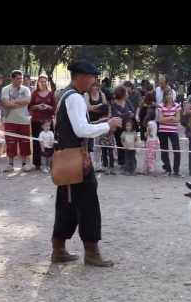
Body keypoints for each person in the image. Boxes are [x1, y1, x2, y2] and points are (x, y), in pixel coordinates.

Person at [51, 59, 122, 267]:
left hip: (67, 159)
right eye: (92, 77)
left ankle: (59, 249)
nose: (94, 81)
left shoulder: (67, 94)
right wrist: (107, 125)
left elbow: (78, 126)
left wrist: (98, 124)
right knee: (88, 205)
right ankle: (91, 252)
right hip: (77, 160)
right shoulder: (75, 98)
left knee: (66, 204)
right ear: (81, 77)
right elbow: (81, 131)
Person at [1, 70, 32, 172]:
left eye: (21, 78)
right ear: (12, 79)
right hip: (9, 120)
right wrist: (20, 103)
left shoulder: (26, 89)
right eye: (18, 78)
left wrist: (13, 101)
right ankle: (10, 164)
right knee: (10, 143)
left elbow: (27, 101)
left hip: (24, 121)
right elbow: (6, 104)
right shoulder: (6, 89)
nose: (20, 80)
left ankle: (24, 164)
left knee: (24, 142)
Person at [28, 75, 56, 171]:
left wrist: (48, 107)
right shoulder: (34, 93)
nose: (43, 83)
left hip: (48, 122)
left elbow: (54, 108)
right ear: (38, 82)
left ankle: (49, 164)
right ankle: (37, 164)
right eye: (41, 81)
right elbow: (30, 107)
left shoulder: (51, 94)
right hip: (36, 121)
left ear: (47, 82)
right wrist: (37, 106)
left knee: (49, 143)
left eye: (44, 81)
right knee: (37, 142)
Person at [157, 87, 182, 177]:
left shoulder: (177, 105)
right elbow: (160, 119)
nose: (169, 96)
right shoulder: (160, 105)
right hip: (162, 131)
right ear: (165, 96)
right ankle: (167, 169)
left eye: (170, 94)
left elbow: (178, 119)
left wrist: (166, 119)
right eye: (167, 94)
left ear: (173, 95)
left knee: (177, 150)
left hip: (173, 130)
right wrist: (171, 118)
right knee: (164, 150)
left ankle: (176, 171)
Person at [85, 82, 109, 172]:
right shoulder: (86, 95)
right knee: (92, 145)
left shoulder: (102, 95)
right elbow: (87, 107)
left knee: (99, 144)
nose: (95, 88)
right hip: (91, 122)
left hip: (100, 121)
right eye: (93, 86)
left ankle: (98, 164)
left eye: (96, 86)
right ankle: (92, 164)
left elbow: (105, 107)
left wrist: (95, 108)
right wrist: (98, 107)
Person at [111, 86, 135, 168]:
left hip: (128, 127)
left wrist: (123, 115)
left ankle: (130, 163)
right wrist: (126, 114)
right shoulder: (113, 104)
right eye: (126, 93)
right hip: (118, 128)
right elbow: (115, 116)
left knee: (129, 144)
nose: (127, 94)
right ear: (122, 94)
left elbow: (132, 112)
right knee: (120, 144)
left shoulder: (127, 101)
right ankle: (122, 163)